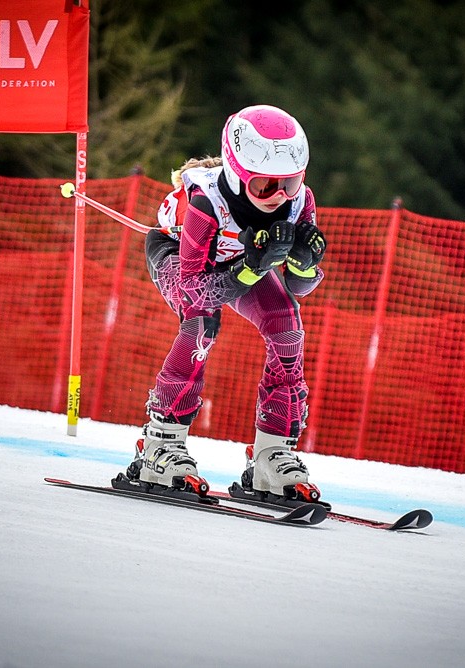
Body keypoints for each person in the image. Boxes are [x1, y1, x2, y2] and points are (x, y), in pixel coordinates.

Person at [123, 104, 327, 502]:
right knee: (201, 325)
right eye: (264, 186)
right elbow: (194, 293)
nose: (279, 197)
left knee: (287, 323)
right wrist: (251, 268)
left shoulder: (300, 201)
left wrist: (303, 264)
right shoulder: (207, 203)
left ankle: (272, 453)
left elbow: (298, 289)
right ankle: (161, 442)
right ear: (236, 174)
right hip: (179, 257)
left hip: (239, 264)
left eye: (290, 183)